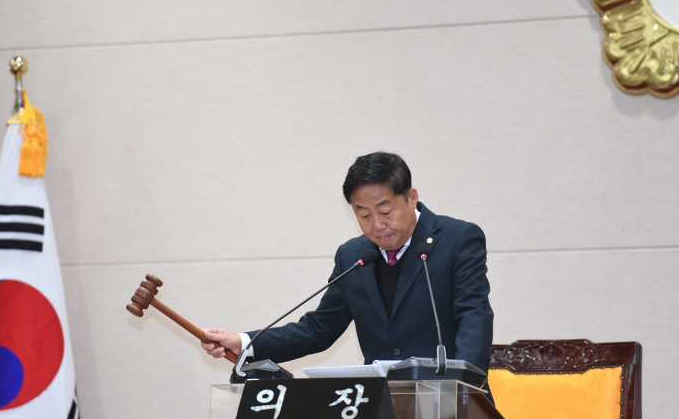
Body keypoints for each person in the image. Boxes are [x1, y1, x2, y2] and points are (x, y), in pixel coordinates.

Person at [201, 152, 493, 385]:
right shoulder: (353, 255)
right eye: (363, 215)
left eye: (385, 211)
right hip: (382, 411)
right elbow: (319, 329)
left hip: (452, 402)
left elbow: (473, 316)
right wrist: (243, 342)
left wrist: (462, 385)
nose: (377, 225)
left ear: (411, 196)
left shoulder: (457, 239)